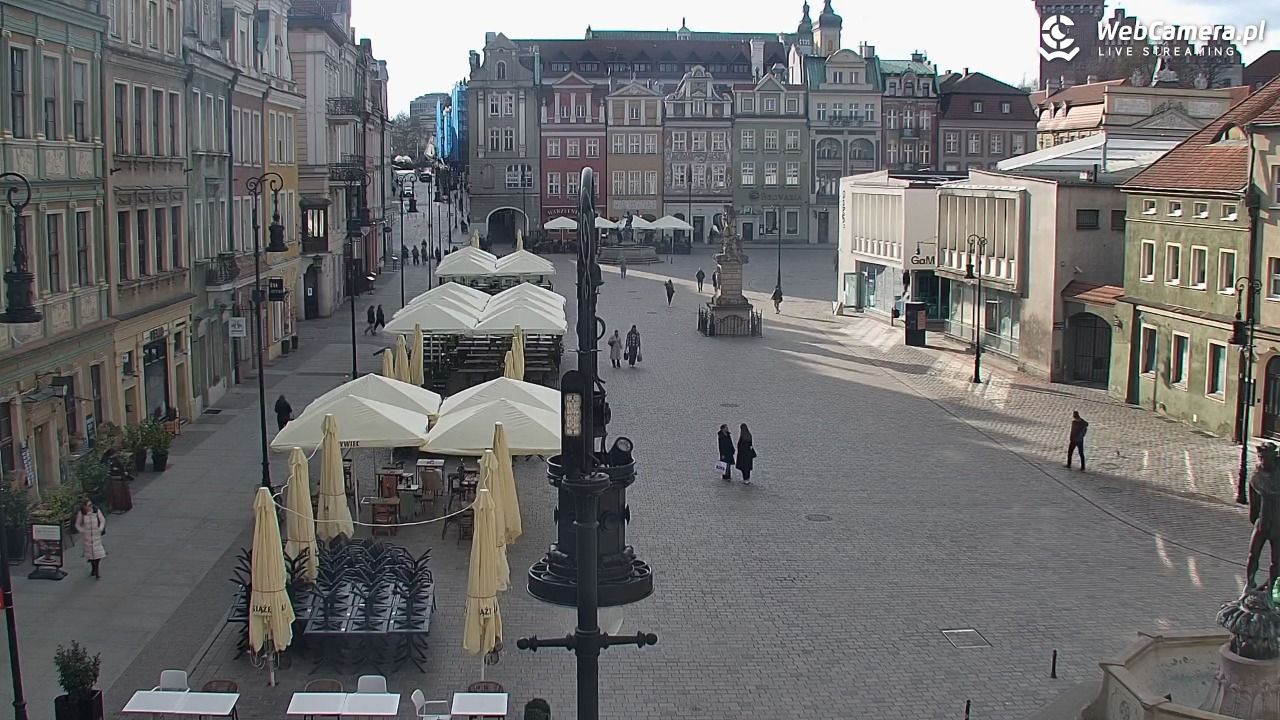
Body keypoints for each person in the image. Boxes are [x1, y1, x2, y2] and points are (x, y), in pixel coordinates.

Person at [1248, 443, 1280, 591]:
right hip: (1262, 522)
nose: (1262, 461)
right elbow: (1253, 503)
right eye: (1260, 458)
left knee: (1276, 561)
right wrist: (1255, 518)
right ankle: (1250, 584)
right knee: (1253, 555)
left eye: (1265, 458)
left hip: (1278, 524)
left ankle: (1272, 589)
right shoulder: (1256, 476)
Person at [75, 499, 107, 578]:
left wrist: (100, 529)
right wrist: (82, 531)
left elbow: (102, 520)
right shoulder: (81, 513)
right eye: (88, 506)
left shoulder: (96, 511)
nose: (90, 507)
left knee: (98, 554)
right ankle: (93, 567)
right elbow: (77, 524)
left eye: (91, 505)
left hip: (96, 535)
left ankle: (97, 570)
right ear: (84, 507)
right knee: (90, 554)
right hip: (87, 537)